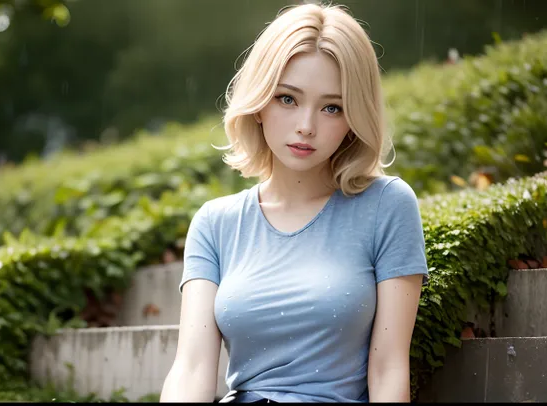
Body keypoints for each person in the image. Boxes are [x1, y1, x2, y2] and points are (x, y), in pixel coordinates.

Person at [160, 2, 428, 403]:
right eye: (287, 99)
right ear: (260, 102)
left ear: (355, 117)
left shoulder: (386, 206)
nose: (307, 125)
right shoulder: (215, 223)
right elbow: (192, 370)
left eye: (332, 107)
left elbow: (389, 368)